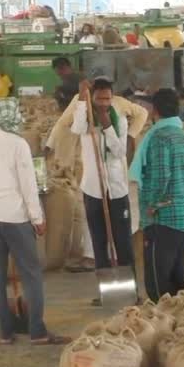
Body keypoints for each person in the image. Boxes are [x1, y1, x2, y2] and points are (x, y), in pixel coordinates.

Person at [0, 98, 70, 346]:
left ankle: (5, 332)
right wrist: (37, 218)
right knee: (31, 274)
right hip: (15, 217)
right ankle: (37, 331)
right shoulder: (19, 144)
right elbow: (28, 185)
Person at [71, 78, 134, 305]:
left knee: (123, 242)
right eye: (99, 98)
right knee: (99, 243)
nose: (104, 103)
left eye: (108, 98)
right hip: (93, 189)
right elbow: (76, 128)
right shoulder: (86, 118)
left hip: (116, 190)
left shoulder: (120, 121)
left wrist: (107, 126)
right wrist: (81, 97)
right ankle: (107, 293)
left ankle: (129, 292)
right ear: (93, 98)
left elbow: (119, 152)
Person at [130, 88, 184, 302]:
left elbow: (161, 176)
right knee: (179, 280)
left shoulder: (159, 137)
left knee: (158, 284)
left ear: (155, 110)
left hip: (163, 219)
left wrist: (151, 205)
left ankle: (164, 324)